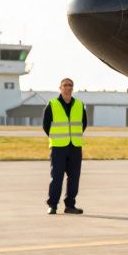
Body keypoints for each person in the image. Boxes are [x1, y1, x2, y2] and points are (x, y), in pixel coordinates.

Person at [42, 78, 86, 215]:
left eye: (70, 85)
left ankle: (70, 205)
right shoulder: (52, 104)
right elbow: (46, 126)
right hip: (59, 147)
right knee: (57, 177)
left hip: (75, 146)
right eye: (65, 85)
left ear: (73, 88)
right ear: (60, 88)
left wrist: (73, 136)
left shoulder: (79, 104)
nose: (68, 88)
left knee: (74, 177)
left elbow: (83, 124)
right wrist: (57, 137)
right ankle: (53, 205)